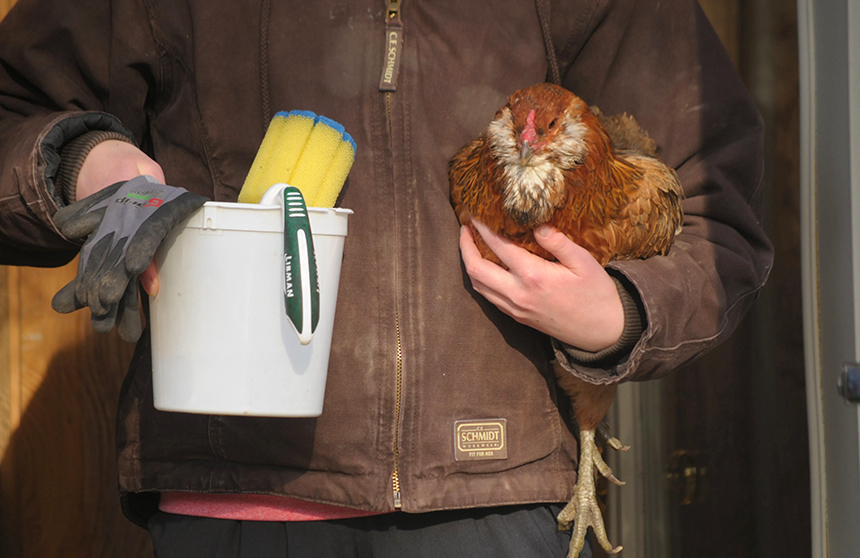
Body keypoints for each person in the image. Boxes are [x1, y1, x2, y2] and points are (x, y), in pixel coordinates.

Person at [0, 0, 773, 556]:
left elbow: (713, 205)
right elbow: (17, 109)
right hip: (235, 496)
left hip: (492, 502)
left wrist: (623, 313)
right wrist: (83, 163)